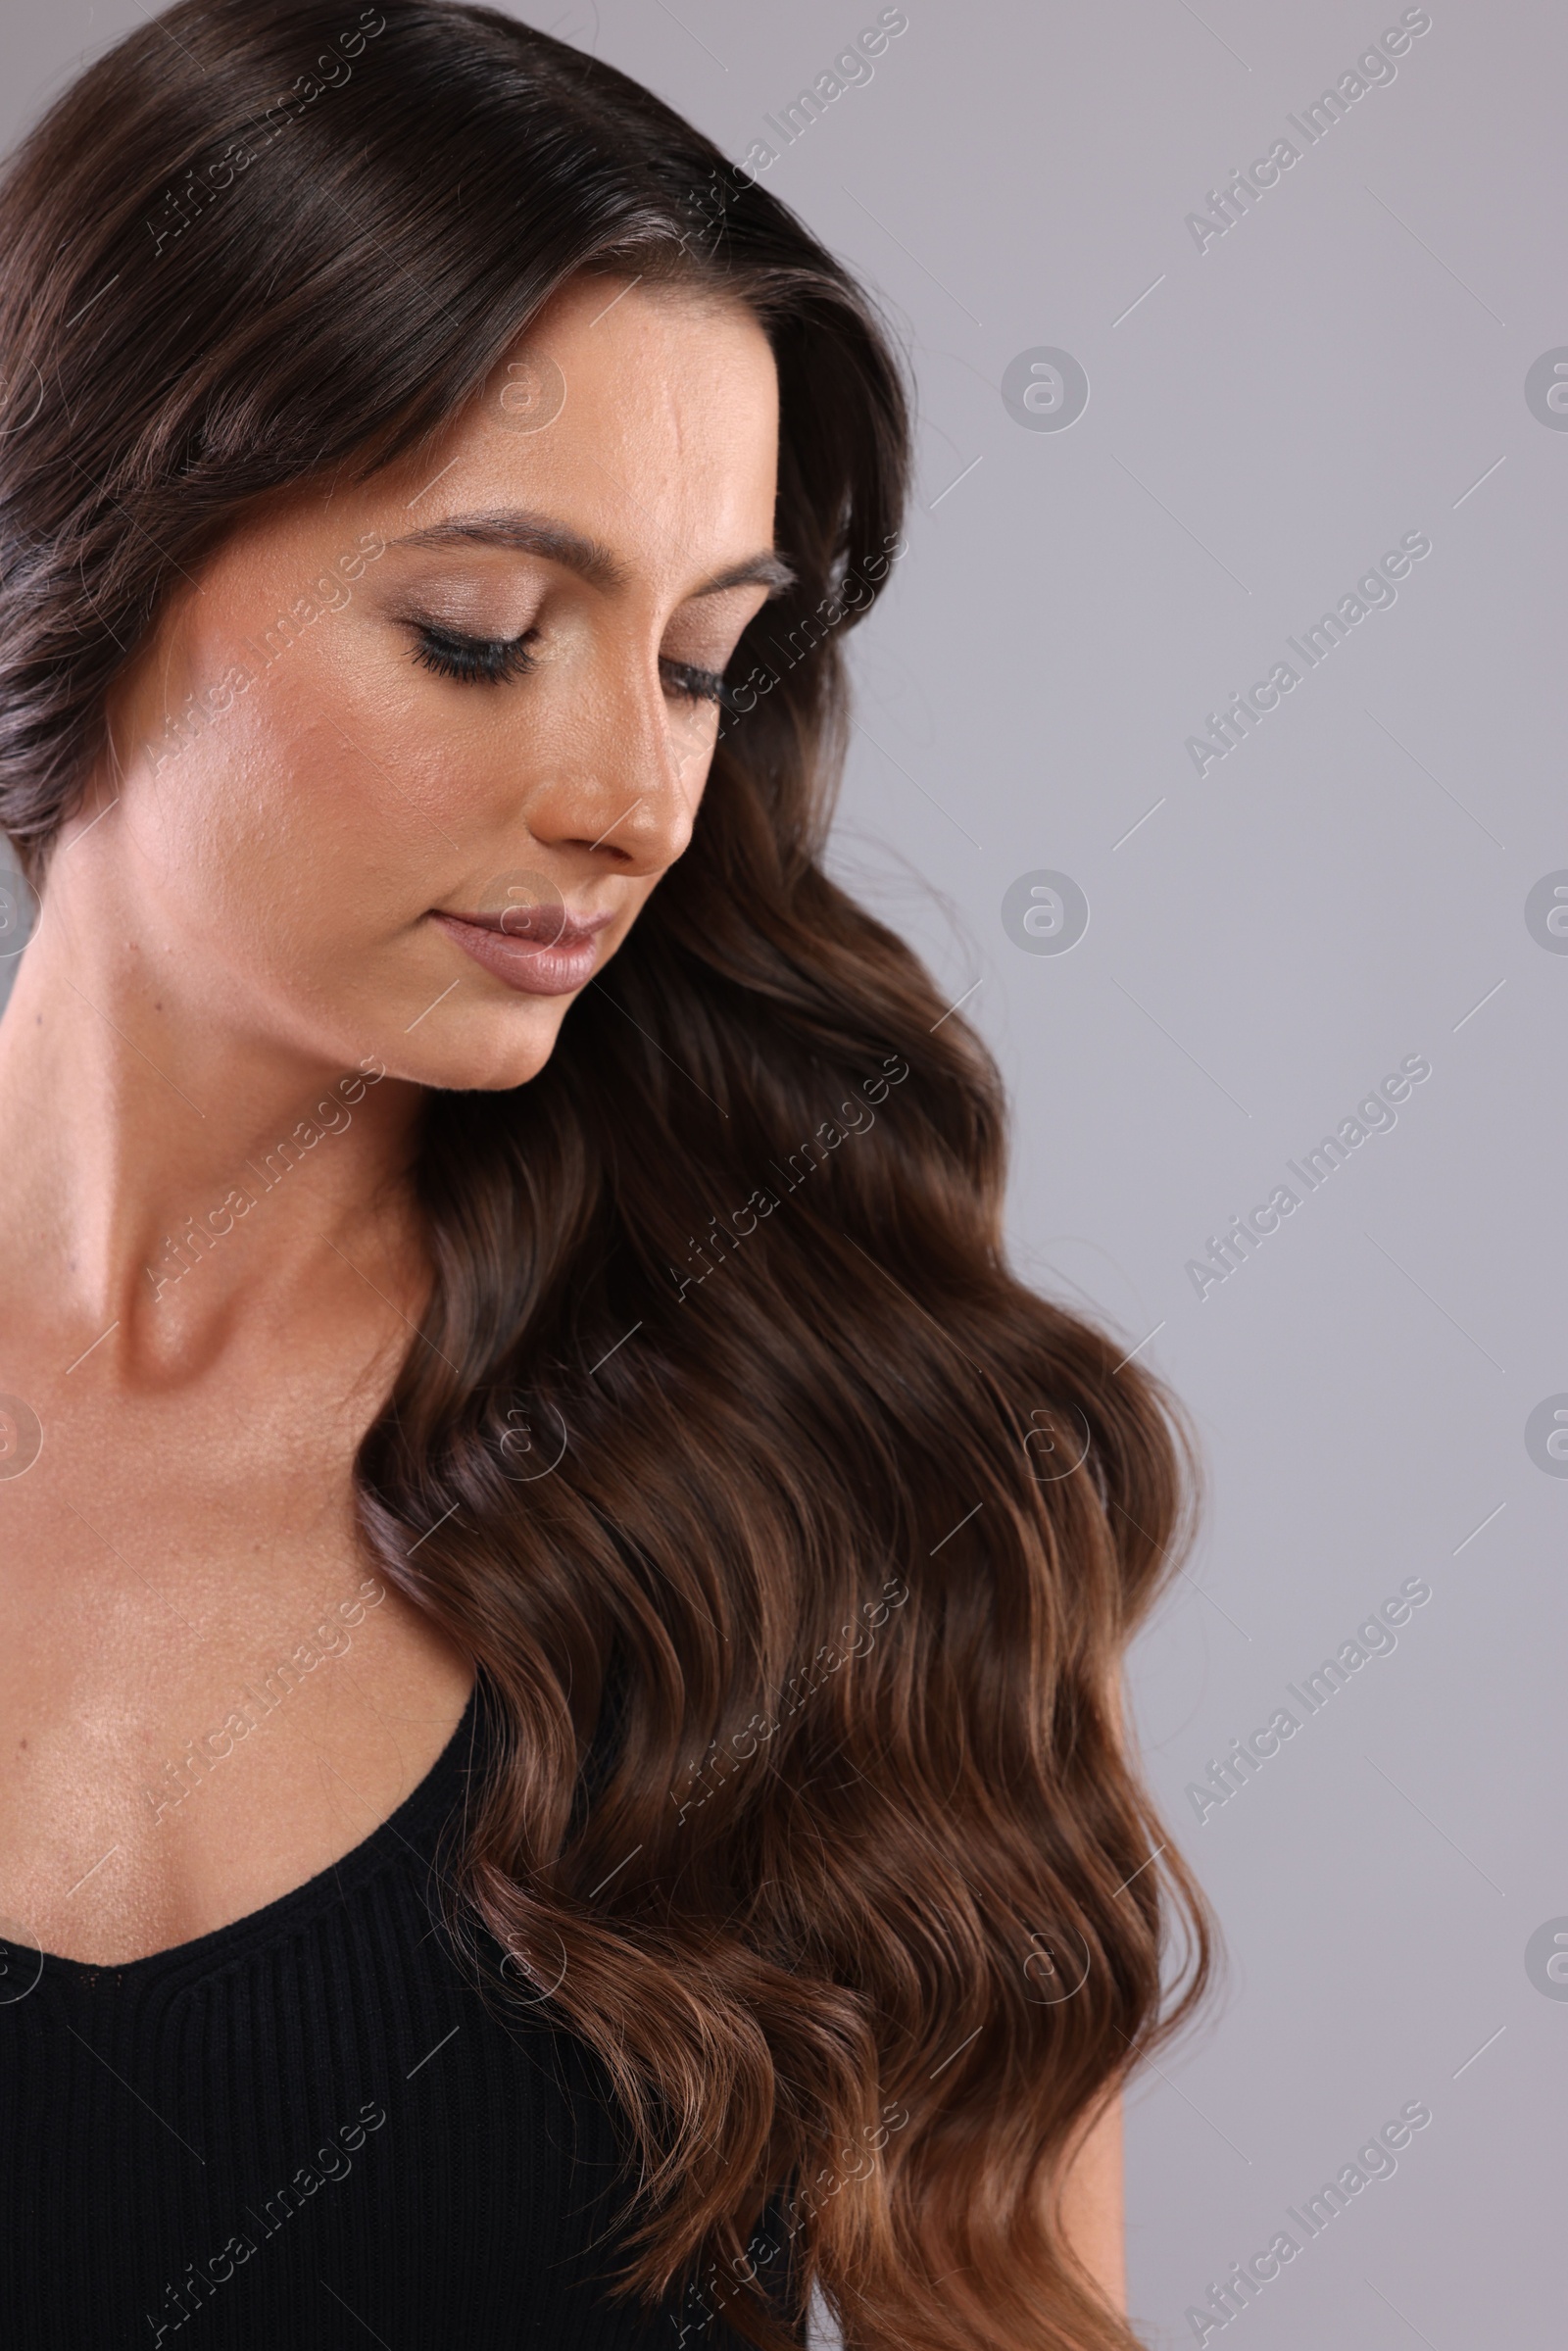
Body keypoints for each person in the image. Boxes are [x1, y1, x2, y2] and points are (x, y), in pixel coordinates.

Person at [0, 4, 1212, 2345]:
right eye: (480, 638)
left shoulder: (869, 1468)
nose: (636, 801)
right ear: (77, 552)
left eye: (694, 664)